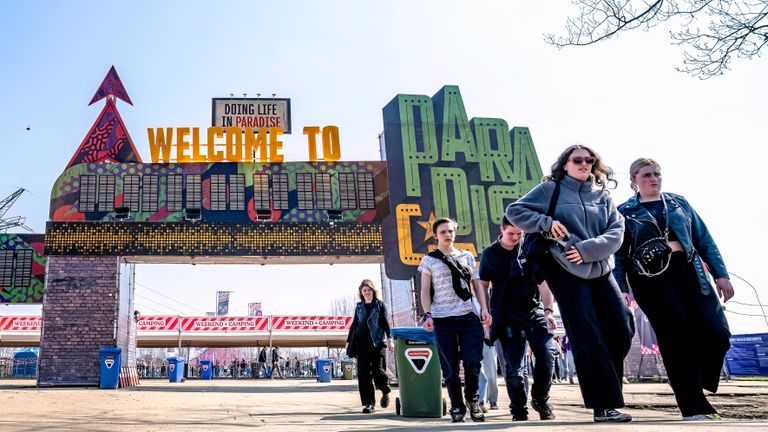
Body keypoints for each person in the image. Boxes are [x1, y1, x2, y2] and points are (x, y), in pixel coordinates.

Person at [506, 144, 635, 423]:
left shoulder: (602, 196)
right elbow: (515, 211)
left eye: (589, 160)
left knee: (621, 325)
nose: (584, 164)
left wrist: (589, 250)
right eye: (577, 160)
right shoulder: (549, 190)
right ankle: (605, 405)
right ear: (565, 164)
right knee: (587, 334)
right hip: (563, 268)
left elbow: (618, 230)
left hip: (599, 267)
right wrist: (544, 222)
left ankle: (607, 387)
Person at [613, 158, 734, 421]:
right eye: (646, 175)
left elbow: (704, 240)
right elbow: (619, 256)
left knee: (718, 333)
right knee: (676, 338)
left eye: (657, 174)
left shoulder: (679, 203)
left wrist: (720, 274)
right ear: (633, 179)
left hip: (689, 272)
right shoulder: (624, 212)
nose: (653, 179)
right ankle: (692, 405)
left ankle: (691, 378)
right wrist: (621, 288)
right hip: (651, 280)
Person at [479, 218, 558, 421]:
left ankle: (540, 399)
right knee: (514, 370)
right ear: (501, 230)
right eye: (510, 234)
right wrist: (485, 311)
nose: (515, 238)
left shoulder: (530, 250)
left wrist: (548, 311)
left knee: (547, 353)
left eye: (519, 234)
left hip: (533, 313)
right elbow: (482, 284)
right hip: (506, 317)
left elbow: (544, 285)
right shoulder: (490, 254)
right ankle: (518, 409)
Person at [419, 217, 492, 423]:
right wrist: (427, 314)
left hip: (469, 316)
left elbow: (477, 285)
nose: (448, 235)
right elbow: (425, 291)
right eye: (443, 232)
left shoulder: (467, 256)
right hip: (442, 319)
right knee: (450, 368)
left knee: (472, 362)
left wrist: (484, 309)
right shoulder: (429, 260)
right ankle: (457, 406)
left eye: (450, 231)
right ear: (435, 236)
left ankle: (473, 399)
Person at [344, 279, 394, 414]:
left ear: (373, 291)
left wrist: (390, 339)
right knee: (364, 376)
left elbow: (385, 323)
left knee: (378, 371)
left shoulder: (380, 305)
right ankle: (369, 404)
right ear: (361, 292)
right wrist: (349, 340)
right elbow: (354, 324)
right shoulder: (359, 307)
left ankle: (385, 390)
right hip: (361, 344)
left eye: (369, 290)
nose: (367, 292)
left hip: (377, 343)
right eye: (364, 290)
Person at [477, 326, 499, 413]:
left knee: (491, 374)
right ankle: (479, 400)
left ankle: (492, 399)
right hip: (473, 336)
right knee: (477, 371)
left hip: (489, 339)